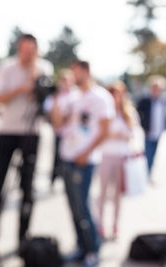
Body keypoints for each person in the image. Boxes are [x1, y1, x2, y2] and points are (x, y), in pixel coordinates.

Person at [0, 33, 53, 250]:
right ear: (18, 49)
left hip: (31, 132)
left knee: (27, 188)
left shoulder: (44, 68)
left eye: (31, 51)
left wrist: (36, 82)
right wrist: (21, 89)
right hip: (8, 131)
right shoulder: (7, 68)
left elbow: (46, 98)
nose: (27, 55)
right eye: (24, 51)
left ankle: (23, 240)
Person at [52, 60, 114, 267]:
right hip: (68, 157)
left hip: (84, 161)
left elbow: (105, 130)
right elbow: (58, 124)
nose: (73, 76)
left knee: (84, 207)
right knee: (73, 207)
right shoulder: (73, 97)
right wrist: (57, 99)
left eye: (76, 72)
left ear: (86, 71)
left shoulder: (101, 97)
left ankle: (93, 250)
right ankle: (81, 246)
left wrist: (86, 153)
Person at [97, 81, 139, 240]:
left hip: (123, 157)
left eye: (119, 94)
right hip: (106, 155)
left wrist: (123, 135)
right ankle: (100, 224)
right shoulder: (106, 112)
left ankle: (115, 225)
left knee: (117, 195)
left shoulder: (129, 112)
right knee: (103, 193)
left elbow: (134, 132)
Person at [44, 69, 76, 188]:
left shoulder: (76, 95)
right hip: (59, 132)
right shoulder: (56, 96)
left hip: (72, 135)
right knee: (57, 157)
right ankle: (54, 178)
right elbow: (50, 112)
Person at [137, 75, 166, 175]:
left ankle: (148, 173)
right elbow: (138, 114)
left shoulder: (163, 101)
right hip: (148, 132)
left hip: (158, 133)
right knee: (148, 154)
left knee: (154, 154)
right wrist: (143, 126)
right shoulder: (144, 101)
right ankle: (146, 174)